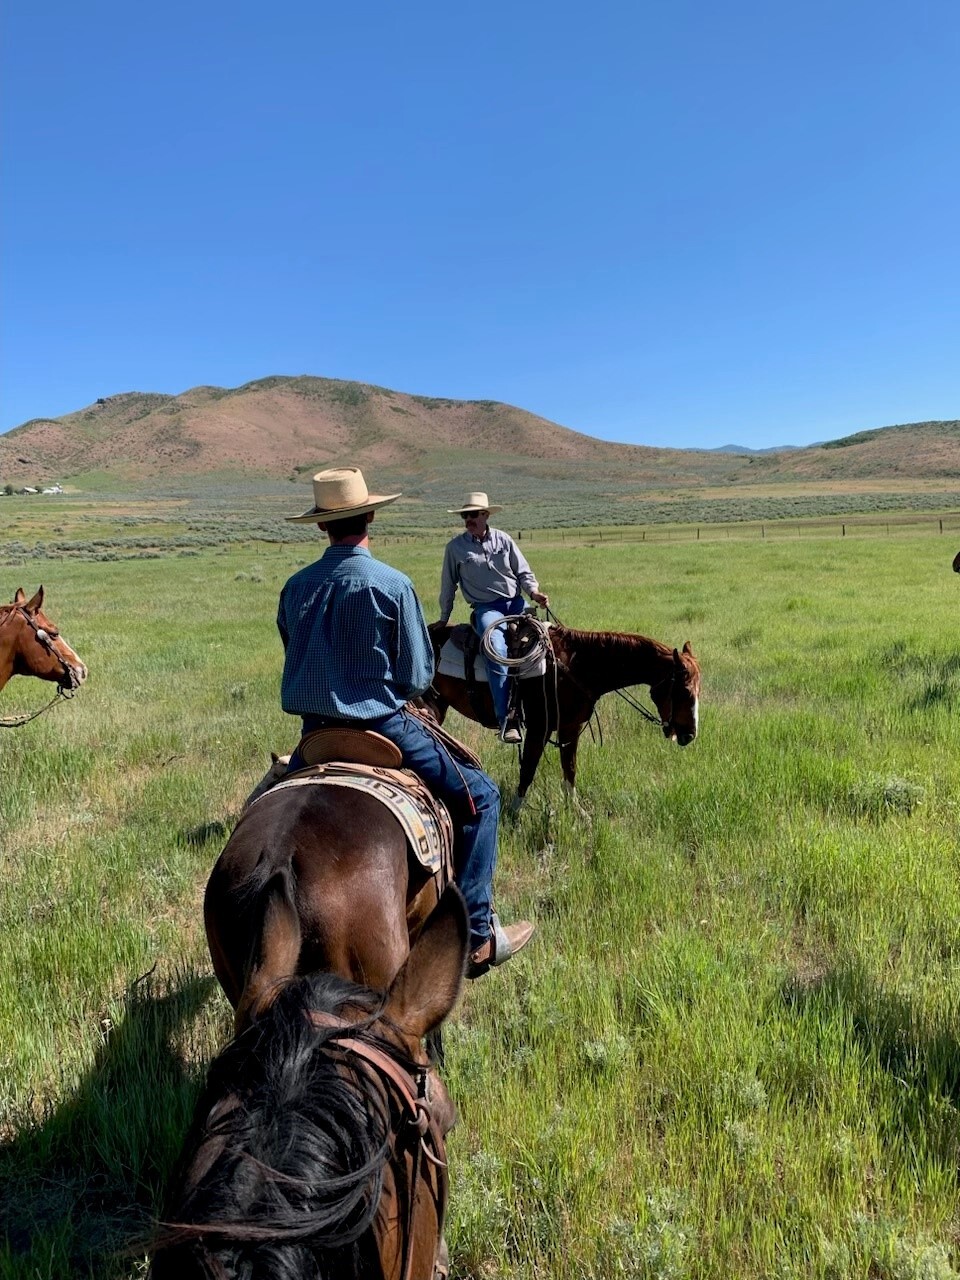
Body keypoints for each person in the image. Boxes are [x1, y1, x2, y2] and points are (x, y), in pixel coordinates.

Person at [278, 467, 534, 977]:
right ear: (370, 515)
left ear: (321, 526)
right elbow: (418, 676)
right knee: (482, 796)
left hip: (314, 736)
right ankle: (478, 935)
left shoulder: (295, 587)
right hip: (385, 727)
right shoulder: (392, 585)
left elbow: (293, 649)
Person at [437, 491, 549, 744]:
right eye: (465, 515)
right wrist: (444, 617)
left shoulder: (504, 540)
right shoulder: (455, 548)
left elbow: (523, 572)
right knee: (495, 648)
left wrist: (534, 593)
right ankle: (506, 719)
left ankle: (545, 708)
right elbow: (448, 585)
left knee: (548, 645)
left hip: (516, 605)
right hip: (486, 610)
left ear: (486, 515)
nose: (469, 519)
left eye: (474, 514)